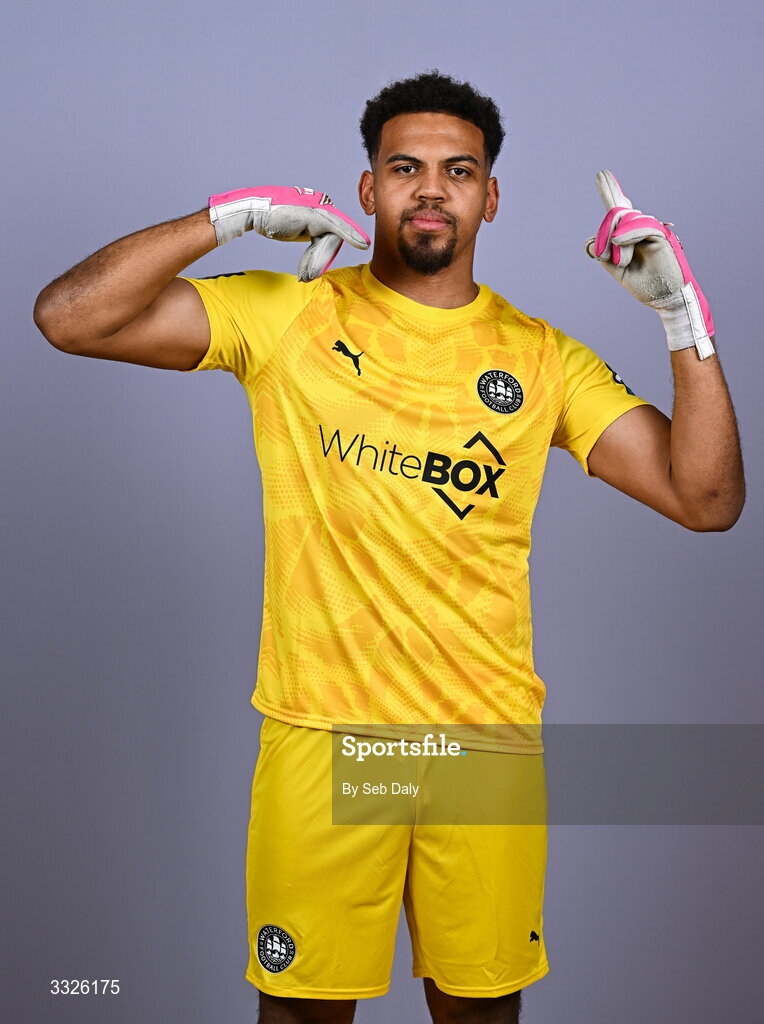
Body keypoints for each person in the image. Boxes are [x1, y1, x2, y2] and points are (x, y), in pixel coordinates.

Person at [33, 70, 745, 1024]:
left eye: (459, 170)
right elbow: (69, 316)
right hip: (323, 737)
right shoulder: (289, 316)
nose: (431, 189)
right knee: (301, 1012)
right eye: (404, 167)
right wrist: (231, 216)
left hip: (480, 742)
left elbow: (706, 499)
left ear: (490, 197)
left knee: (480, 1012)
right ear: (367, 190)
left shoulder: (543, 356)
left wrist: (681, 322)